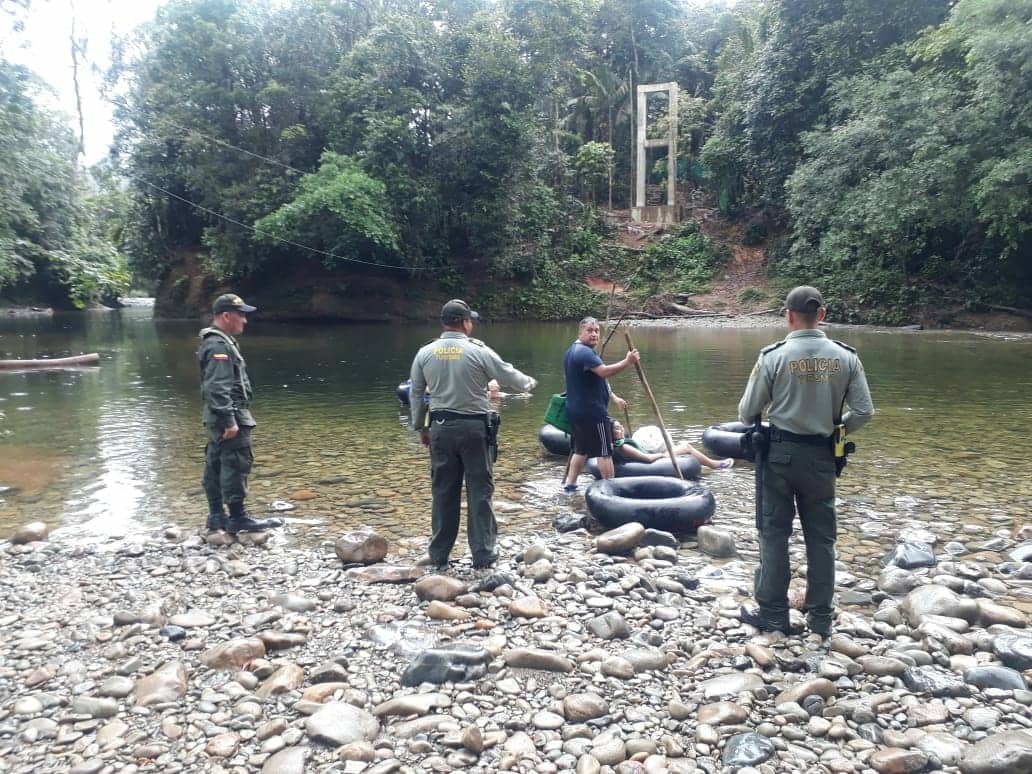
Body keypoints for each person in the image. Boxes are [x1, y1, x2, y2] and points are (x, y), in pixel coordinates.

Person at [737, 286, 874, 636]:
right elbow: (864, 411)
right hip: (822, 456)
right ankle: (820, 618)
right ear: (822, 315)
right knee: (821, 538)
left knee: (774, 534)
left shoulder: (773, 356)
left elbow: (746, 412)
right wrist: (835, 427)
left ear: (788, 315)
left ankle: (773, 614)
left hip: (780, 456)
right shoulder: (846, 357)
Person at [410, 299, 537, 570]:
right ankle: (483, 553)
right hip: (474, 430)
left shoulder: (425, 353)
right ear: (465, 322)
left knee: (443, 491)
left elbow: (416, 393)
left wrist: (421, 427)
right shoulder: (477, 350)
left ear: (445, 322)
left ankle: (439, 553)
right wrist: (528, 383)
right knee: (480, 491)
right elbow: (506, 372)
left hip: (441, 429)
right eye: (471, 320)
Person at [198, 293, 283, 533]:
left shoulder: (217, 342)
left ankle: (216, 516)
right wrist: (230, 421)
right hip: (229, 416)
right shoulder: (219, 346)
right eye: (241, 315)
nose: (245, 320)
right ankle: (237, 518)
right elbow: (216, 387)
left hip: (217, 416)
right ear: (226, 316)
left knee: (215, 462)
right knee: (235, 463)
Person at [561, 317, 639, 493]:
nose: (594, 334)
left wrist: (613, 396)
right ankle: (610, 491)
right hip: (593, 412)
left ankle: (570, 486)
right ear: (580, 332)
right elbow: (604, 372)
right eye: (590, 330)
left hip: (575, 411)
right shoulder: (584, 352)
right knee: (605, 451)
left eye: (597, 330)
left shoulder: (571, 351)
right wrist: (627, 362)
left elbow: (594, 381)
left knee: (580, 450)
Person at [612, 420, 733, 470]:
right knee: (686, 447)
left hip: (650, 455)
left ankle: (708, 464)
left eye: (621, 426)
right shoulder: (623, 446)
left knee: (681, 447)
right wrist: (662, 454)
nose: (621, 429)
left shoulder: (622, 443)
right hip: (654, 458)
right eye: (617, 428)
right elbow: (647, 458)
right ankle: (716, 465)